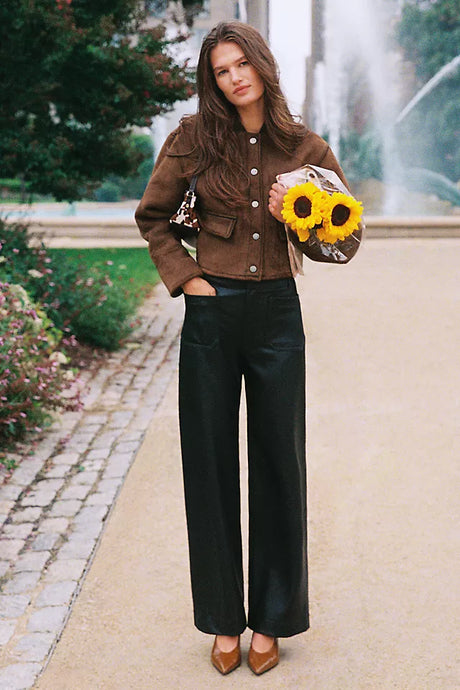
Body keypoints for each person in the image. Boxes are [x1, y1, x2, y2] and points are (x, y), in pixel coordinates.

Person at [135, 20, 354, 676]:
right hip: (212, 313)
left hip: (277, 317)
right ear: (213, 80)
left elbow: (343, 243)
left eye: (242, 64)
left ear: (262, 64)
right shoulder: (193, 140)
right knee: (208, 464)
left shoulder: (305, 146)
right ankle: (224, 621)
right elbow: (157, 217)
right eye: (221, 70)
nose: (234, 77)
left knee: (281, 464)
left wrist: (300, 218)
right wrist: (189, 278)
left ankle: (273, 621)